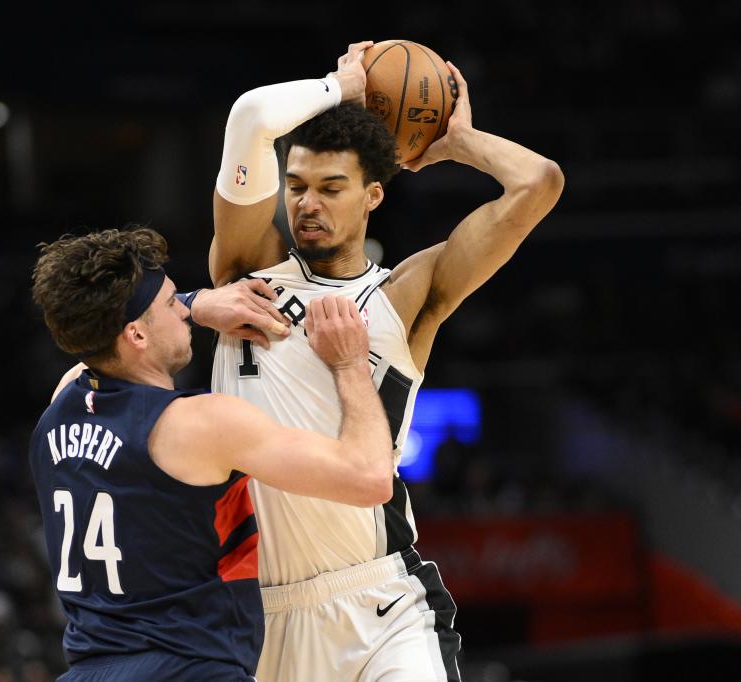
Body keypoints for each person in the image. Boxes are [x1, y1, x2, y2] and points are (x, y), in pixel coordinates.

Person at [209, 41, 565, 681]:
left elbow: (539, 184)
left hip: (381, 603)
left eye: (330, 187)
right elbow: (250, 119)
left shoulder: (402, 297)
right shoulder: (244, 274)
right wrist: (337, 86)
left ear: (373, 195)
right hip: (262, 616)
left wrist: (459, 143)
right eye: (296, 186)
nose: (306, 204)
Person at [28, 227, 394, 680]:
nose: (184, 309)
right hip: (190, 669)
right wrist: (350, 364)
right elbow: (370, 478)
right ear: (136, 334)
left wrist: (199, 303)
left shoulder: (61, 404)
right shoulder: (197, 425)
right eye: (170, 303)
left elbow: (93, 340)